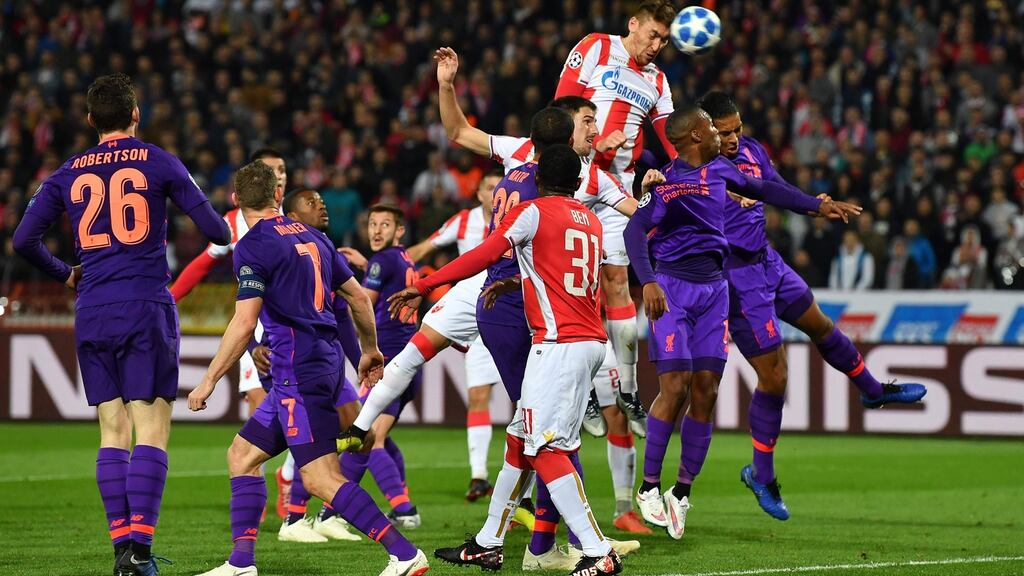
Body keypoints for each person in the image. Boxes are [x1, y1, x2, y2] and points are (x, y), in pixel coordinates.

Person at [12, 73, 232, 576]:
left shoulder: (68, 172)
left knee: (112, 432)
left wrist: (66, 273)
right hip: (143, 304)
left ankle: (121, 553)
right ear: (136, 114)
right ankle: (140, 553)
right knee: (151, 430)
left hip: (92, 308)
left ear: (91, 120)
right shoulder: (158, 160)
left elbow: (23, 240)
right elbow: (218, 231)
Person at [623, 105, 862, 540]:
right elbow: (633, 232)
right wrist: (649, 281)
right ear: (697, 136)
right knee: (675, 386)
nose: (723, 136)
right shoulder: (664, 183)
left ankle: (681, 492)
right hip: (673, 291)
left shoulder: (721, 171)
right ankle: (649, 488)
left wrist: (818, 206)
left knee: (706, 391)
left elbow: (767, 188)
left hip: (715, 292)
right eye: (713, 129)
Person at [391, 144, 626, 576]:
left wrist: (425, 285)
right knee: (520, 440)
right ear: (578, 182)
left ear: (537, 179)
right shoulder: (590, 220)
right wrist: (518, 282)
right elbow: (562, 272)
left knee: (545, 448)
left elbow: (483, 255)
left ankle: (597, 550)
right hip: (589, 339)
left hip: (558, 343)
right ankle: (488, 543)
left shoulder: (532, 212)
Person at [188, 162, 428, 576]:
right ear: (277, 196)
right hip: (321, 363)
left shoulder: (252, 245)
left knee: (320, 478)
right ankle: (241, 563)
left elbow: (244, 323)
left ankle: (404, 554)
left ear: (235, 199)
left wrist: (208, 380)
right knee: (242, 456)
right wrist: (369, 349)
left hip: (297, 372)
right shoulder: (314, 237)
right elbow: (358, 298)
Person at [698, 91, 928, 521]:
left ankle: (873, 391)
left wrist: (813, 203)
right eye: (723, 133)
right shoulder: (699, 171)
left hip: (767, 261)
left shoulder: (752, 150)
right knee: (776, 377)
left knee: (821, 324)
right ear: (705, 132)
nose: (733, 139)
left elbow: (776, 187)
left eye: (737, 129)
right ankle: (761, 475)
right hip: (736, 277)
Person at [555, 0, 680, 430]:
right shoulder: (594, 47)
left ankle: (627, 390)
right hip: (572, 179)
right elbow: (559, 111)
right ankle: (584, 391)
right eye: (653, 35)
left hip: (617, 190)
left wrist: (706, 178)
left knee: (617, 285)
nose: (657, 45)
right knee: (574, 290)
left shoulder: (658, 81)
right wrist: (594, 141)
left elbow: (672, 143)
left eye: (664, 40)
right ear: (633, 24)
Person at [268, 189, 363, 543]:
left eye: (322, 200)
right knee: (330, 436)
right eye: (312, 202)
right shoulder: (280, 249)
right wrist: (254, 346)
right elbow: (253, 307)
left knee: (359, 435)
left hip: (328, 360)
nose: (321, 205)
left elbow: (343, 314)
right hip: (297, 359)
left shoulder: (323, 247)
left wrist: (359, 362)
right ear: (291, 216)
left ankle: (322, 515)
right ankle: (297, 518)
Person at [405, 170, 505, 501]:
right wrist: (392, 264)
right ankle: (479, 476)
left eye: (499, 187)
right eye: (489, 187)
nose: (495, 192)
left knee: (526, 401)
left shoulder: (517, 217)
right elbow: (424, 248)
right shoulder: (463, 221)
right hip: (477, 321)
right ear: (478, 194)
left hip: (513, 317)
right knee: (478, 397)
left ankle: (524, 482)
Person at [170, 148, 288, 423]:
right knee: (261, 411)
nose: (279, 175)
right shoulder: (234, 221)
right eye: (271, 170)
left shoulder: (299, 212)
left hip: (290, 329)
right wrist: (169, 299)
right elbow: (202, 264)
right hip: (253, 329)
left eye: (282, 169)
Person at [338, 204, 423, 529]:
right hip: (409, 359)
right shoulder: (404, 259)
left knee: (368, 436)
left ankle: (339, 510)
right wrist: (366, 266)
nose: (376, 230)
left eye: (385, 224)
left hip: (387, 363)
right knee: (380, 436)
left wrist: (336, 285)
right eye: (372, 223)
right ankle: (403, 506)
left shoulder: (382, 260)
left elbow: (362, 304)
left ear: (399, 230)